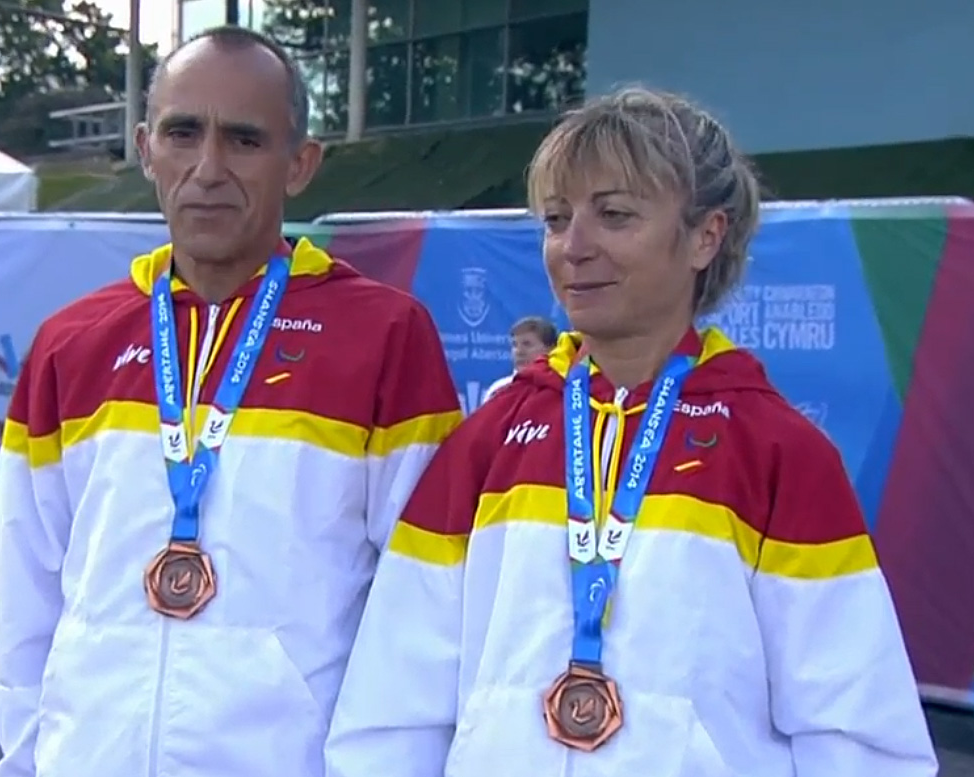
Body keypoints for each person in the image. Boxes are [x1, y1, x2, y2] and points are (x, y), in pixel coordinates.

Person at [324, 87, 938, 776]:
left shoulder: (778, 452)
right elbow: (393, 704)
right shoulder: (489, 441)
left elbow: (856, 736)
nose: (573, 247)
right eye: (557, 219)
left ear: (707, 234)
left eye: (614, 215)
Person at [0, 26, 461, 777]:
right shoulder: (70, 342)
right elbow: (23, 598)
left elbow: (424, 606)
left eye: (244, 140)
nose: (207, 168)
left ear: (299, 164)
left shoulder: (385, 336)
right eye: (183, 133)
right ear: (145, 148)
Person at [481, 316, 557, 405]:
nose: (519, 352)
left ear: (550, 349)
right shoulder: (498, 390)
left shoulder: (562, 389)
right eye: (514, 345)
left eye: (527, 344)